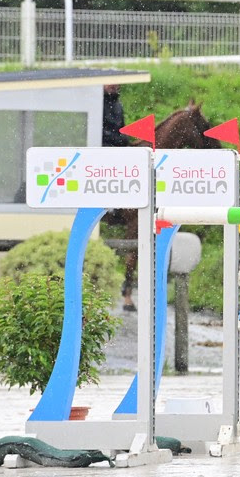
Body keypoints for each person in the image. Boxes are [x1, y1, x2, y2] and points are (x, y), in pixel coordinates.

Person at [101, 84, 135, 310]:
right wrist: (119, 139)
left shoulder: (118, 104)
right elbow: (100, 130)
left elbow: (120, 128)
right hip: (101, 147)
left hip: (116, 145)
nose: (116, 86)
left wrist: (124, 138)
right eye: (112, 82)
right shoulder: (98, 101)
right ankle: (108, 204)